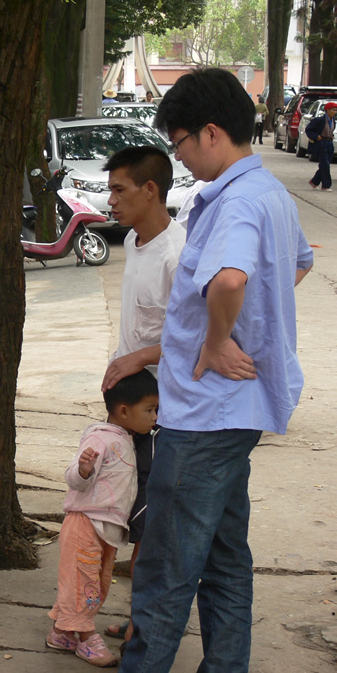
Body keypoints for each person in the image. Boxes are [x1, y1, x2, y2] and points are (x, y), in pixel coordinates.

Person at [120, 67, 314, 673]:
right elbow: (297, 264)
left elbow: (230, 279)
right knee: (225, 560)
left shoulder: (236, 201)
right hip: (236, 413)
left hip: (207, 415)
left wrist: (218, 338)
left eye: (178, 143)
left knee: (166, 569)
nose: (177, 157)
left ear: (210, 132)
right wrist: (250, 320)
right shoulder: (270, 194)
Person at [99, 146, 186, 645]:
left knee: (155, 527)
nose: (111, 200)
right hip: (130, 406)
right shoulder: (134, 242)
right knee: (130, 516)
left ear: (150, 190)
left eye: (119, 189)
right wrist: (119, 366)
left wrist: (138, 359)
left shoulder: (179, 253)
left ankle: (148, 630)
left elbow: (194, 335)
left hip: (165, 414)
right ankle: (140, 620)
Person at [46, 370, 159, 667]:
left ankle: (61, 632)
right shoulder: (99, 438)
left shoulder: (128, 438)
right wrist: (83, 470)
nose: (155, 417)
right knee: (85, 584)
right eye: (149, 410)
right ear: (124, 411)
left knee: (97, 582)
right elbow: (74, 478)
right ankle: (86, 638)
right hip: (86, 523)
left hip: (107, 529)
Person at [305, 101, 337, 191]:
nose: (335, 112)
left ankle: (314, 181)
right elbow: (308, 130)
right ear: (327, 110)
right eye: (333, 110)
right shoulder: (319, 120)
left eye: (336, 110)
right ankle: (326, 185)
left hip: (329, 143)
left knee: (325, 164)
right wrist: (316, 136)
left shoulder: (333, 120)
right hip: (321, 143)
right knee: (325, 164)